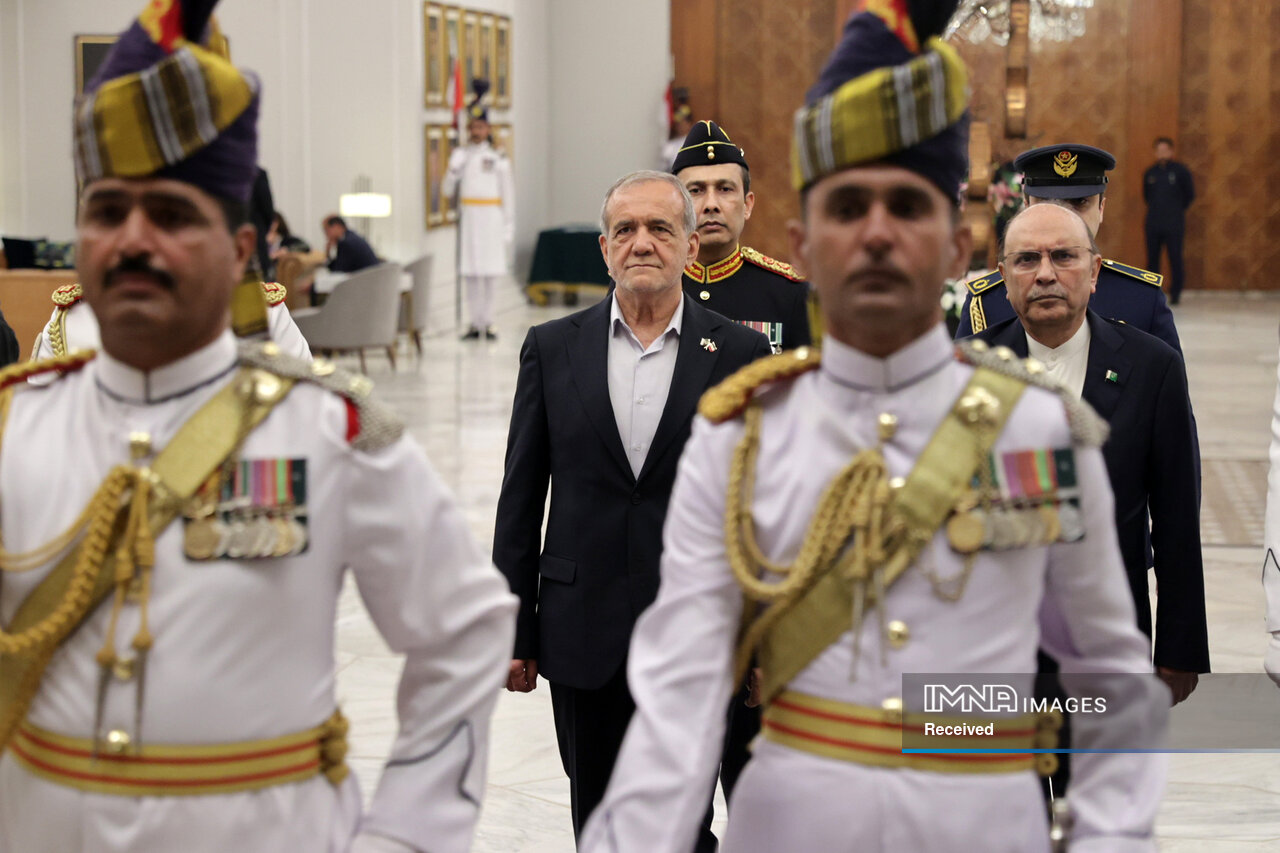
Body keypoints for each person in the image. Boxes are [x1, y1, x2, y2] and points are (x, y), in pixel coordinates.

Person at [579, 4, 1168, 851]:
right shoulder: (741, 437)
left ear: (957, 243)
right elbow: (677, 700)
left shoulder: (1032, 432)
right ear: (804, 244)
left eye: (908, 206)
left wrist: (1107, 836)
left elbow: (1108, 675)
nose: (880, 234)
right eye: (849, 206)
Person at [0, 3, 516, 852]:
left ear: (242, 249)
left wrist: (406, 835)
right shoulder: (17, 424)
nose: (133, 240)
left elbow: (465, 631)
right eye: (107, 211)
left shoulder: (332, 433)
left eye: (172, 215)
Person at [492, 170, 771, 847]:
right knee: (599, 819)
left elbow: (761, 508)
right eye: (626, 229)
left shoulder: (740, 352)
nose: (642, 242)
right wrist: (514, 629)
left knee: (685, 824)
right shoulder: (552, 347)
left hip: (700, 635)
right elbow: (521, 496)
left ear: (690, 247)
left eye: (660, 229)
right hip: (582, 630)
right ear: (605, 247)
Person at [970, 202, 1208, 695]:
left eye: (1063, 256)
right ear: (1004, 277)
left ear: (1094, 271)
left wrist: (1179, 648)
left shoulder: (1153, 367)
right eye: (1026, 260)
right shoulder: (966, 372)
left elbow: (1177, 519)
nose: (1045, 274)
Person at [955, 143, 1181, 356]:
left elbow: (1164, 380)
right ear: (1026, 207)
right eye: (1048, 203)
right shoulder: (987, 303)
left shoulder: (1141, 299)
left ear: (1101, 209)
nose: (1064, 217)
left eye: (1080, 203)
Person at [675, 120, 811, 354]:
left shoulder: (789, 294)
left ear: (747, 205)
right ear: (676, 207)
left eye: (725, 189)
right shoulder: (653, 286)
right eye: (696, 191)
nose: (711, 204)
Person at [442, 79, 514, 341]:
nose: (476, 131)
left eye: (481, 127)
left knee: (490, 273)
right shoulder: (461, 156)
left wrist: (508, 226)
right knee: (471, 273)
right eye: (473, 126)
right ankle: (474, 323)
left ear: (487, 129)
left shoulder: (498, 158)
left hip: (491, 218)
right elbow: (447, 191)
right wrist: (453, 169)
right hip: (470, 218)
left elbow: (508, 195)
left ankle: (489, 322)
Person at [1143, 137, 1195, 305]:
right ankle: (1152, 294)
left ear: (1171, 151)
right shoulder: (1150, 173)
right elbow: (1147, 196)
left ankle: (1175, 294)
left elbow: (1189, 195)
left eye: (1165, 150)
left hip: (1174, 223)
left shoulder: (1181, 171)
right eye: (1159, 150)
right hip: (1153, 222)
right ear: (1155, 152)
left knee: (1175, 258)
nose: (1162, 153)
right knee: (1152, 260)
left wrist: (1175, 210)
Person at [660, 104, 694, 170]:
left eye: (683, 122)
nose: (680, 125)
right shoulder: (670, 146)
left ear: (689, 123)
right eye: (678, 123)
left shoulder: (695, 143)